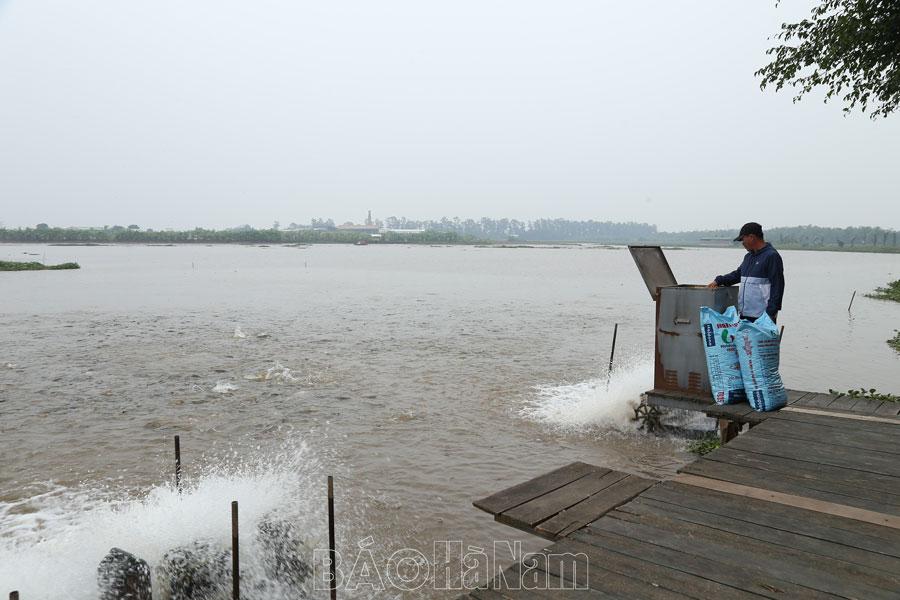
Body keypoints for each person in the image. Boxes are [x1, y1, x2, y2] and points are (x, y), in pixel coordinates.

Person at [707, 222, 784, 323]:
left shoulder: (771, 256)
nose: (742, 243)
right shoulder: (749, 257)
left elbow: (777, 287)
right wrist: (719, 280)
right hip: (744, 316)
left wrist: (770, 314)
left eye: (742, 239)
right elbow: (738, 275)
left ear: (751, 237)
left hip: (762, 317)